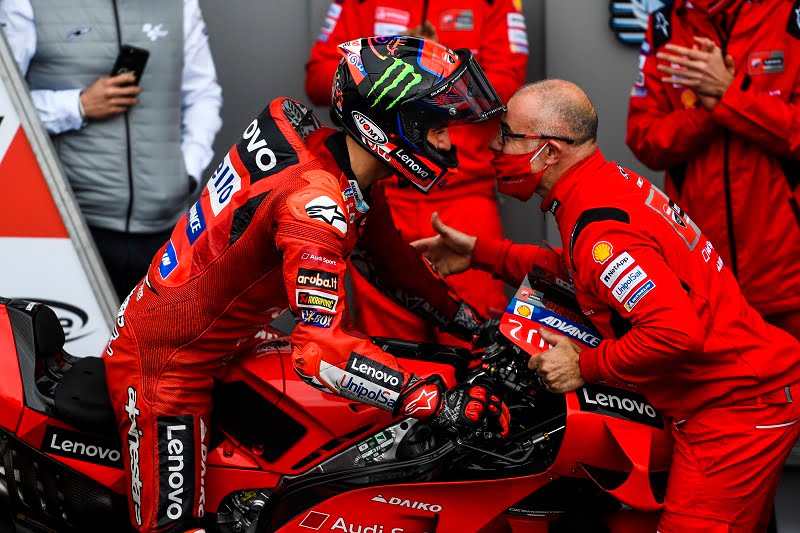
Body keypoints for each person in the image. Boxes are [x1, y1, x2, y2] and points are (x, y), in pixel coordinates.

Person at [103, 37, 510, 533]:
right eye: (438, 127)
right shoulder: (314, 204)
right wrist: (432, 402)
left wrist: (474, 326)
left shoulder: (331, 159)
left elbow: (388, 260)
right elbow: (319, 351)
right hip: (170, 363)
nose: (448, 144)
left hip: (233, 339)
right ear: (388, 125)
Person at [412, 79, 800, 531]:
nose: (494, 146)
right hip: (727, 393)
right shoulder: (601, 186)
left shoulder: (600, 229)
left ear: (549, 152)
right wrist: (481, 253)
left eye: (507, 135)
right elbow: (581, 271)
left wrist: (585, 366)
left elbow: (676, 332)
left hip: (736, 407)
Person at [305, 0, 529, 344]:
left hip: (463, 197)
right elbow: (319, 79)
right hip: (384, 196)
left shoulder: (494, 4)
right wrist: (388, 62)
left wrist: (435, 65)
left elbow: (508, 87)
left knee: (477, 342)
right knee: (388, 350)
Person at [0, 0, 223, 301]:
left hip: (166, 226)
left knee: (160, 332)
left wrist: (188, 173)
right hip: (75, 225)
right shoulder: (24, 4)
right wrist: (76, 106)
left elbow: (203, 94)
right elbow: (5, 104)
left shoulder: (180, 4)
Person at [626, 0, 800, 340]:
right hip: (702, 274)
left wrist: (729, 94)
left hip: (786, 275)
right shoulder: (665, 24)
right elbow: (644, 138)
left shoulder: (791, 14)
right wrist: (711, 111)